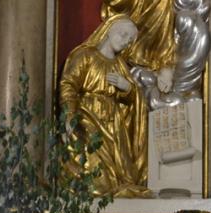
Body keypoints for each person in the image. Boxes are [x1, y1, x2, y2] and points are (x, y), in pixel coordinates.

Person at [59, 15, 150, 197]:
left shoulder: (120, 65)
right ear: (109, 30)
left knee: (122, 171)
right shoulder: (85, 55)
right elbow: (69, 85)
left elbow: (134, 102)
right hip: (88, 116)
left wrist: (127, 88)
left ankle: (118, 187)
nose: (125, 42)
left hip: (114, 124)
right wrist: (69, 114)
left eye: (129, 41)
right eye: (123, 35)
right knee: (95, 166)